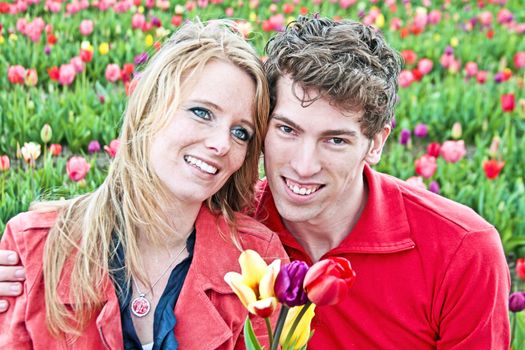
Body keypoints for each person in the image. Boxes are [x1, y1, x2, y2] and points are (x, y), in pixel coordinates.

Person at [0, 15, 510, 349]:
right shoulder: (241, 233)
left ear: (376, 142)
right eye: (285, 130)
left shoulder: (461, 252)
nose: (303, 165)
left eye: (335, 140)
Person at [0, 20, 288, 349]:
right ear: (149, 109)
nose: (222, 143)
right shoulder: (35, 248)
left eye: (241, 132)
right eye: (201, 112)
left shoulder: (256, 262)